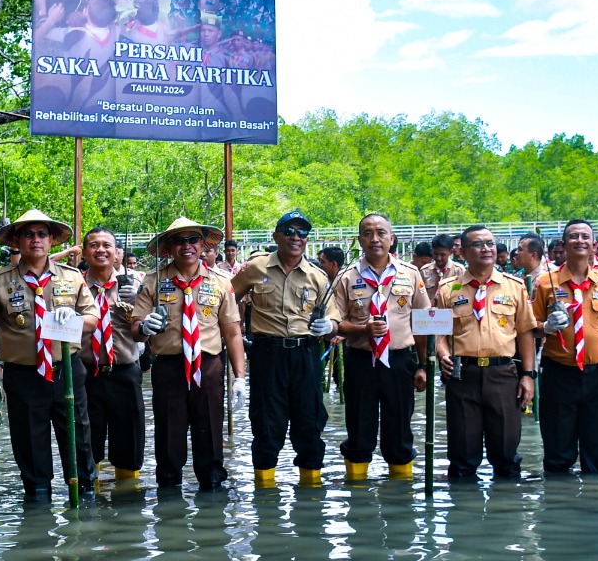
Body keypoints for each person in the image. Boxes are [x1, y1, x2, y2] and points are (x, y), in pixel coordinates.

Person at [0, 208, 96, 502]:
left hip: (66, 371)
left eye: (42, 234)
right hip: (24, 374)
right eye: (28, 234)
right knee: (30, 443)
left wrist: (72, 318)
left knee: (78, 439)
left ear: (51, 240)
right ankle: (38, 501)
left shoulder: (72, 276)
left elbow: (93, 319)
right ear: (17, 242)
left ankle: (85, 497)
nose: (36, 239)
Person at [133, 217, 245, 489]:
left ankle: (213, 492)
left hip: (208, 366)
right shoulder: (153, 281)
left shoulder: (221, 282)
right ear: (169, 247)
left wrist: (240, 378)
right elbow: (135, 329)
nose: (187, 246)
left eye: (193, 239)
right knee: (168, 438)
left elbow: (232, 333)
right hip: (168, 367)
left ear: (203, 244)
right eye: (178, 241)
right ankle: (169, 495)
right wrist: (145, 327)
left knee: (210, 435)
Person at [230, 210, 337, 487]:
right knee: (266, 423)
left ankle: (311, 493)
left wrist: (330, 326)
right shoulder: (255, 268)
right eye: (289, 231)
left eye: (302, 232)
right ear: (276, 235)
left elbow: (334, 316)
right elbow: (227, 299)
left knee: (310, 421)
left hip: (306, 353)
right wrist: (232, 334)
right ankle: (264, 493)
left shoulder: (317, 276)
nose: (295, 237)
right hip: (268, 353)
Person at [330, 213, 429, 481]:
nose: (375, 239)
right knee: (359, 428)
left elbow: (422, 322)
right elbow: (335, 323)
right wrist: (363, 329)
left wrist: (423, 365)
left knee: (400, 430)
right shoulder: (346, 277)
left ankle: (400, 493)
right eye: (368, 233)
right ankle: (357, 491)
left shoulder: (411, 274)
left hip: (400, 361)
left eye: (381, 233)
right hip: (361, 361)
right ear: (360, 240)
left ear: (391, 239)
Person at [434, 224, 536, 479]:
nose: (486, 249)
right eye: (478, 244)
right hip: (462, 375)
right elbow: (438, 334)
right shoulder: (449, 289)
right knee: (462, 455)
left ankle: (507, 500)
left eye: (490, 243)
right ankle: (463, 502)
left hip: (502, 375)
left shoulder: (514, 287)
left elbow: (525, 332)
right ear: (463, 252)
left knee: (506, 453)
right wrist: (443, 354)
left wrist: (528, 375)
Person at [531, 220, 598, 475]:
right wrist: (547, 327)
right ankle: (560, 497)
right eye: (573, 236)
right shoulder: (545, 283)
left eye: (585, 236)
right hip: (559, 373)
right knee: (557, 451)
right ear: (563, 245)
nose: (580, 241)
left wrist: (595, 341)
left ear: (594, 245)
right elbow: (531, 326)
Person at [80, 226, 145, 484]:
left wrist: (139, 302)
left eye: (107, 245)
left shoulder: (135, 284)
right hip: (86, 372)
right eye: (94, 245)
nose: (101, 250)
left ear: (117, 251)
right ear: (84, 252)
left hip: (124, 371)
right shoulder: (72, 284)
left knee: (130, 442)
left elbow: (148, 330)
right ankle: (89, 495)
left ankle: (128, 497)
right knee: (86, 441)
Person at [421, 233, 465, 299]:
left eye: (442, 255)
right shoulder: (424, 271)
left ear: (451, 252)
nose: (439, 258)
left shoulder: (459, 270)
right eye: (436, 254)